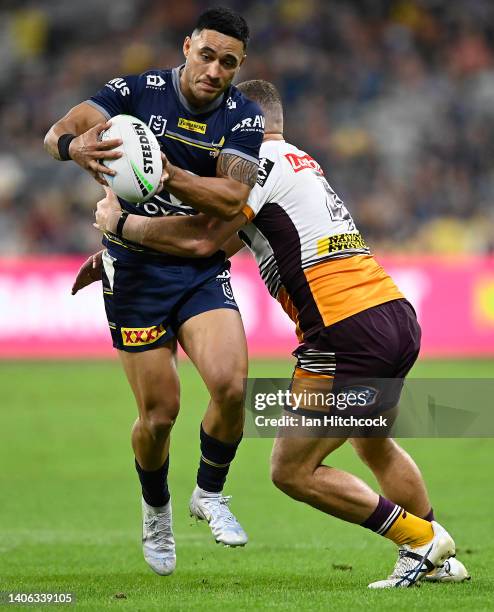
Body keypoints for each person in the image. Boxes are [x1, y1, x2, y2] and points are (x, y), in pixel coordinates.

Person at [85, 79, 470, 588]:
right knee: (373, 443)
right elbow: (225, 244)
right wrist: (115, 257)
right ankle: (440, 559)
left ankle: (420, 541)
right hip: (387, 314)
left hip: (346, 330)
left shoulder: (257, 166)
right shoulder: (297, 161)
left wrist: (121, 227)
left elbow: (203, 244)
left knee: (293, 470)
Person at [45, 8, 265, 576]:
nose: (215, 70)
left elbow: (228, 199)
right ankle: (156, 507)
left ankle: (210, 492)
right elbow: (59, 131)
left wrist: (169, 176)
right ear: (188, 46)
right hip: (135, 277)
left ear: (240, 68)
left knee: (232, 387)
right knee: (160, 416)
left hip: (197, 274)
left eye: (229, 63)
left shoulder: (244, 117)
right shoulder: (135, 91)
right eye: (208, 54)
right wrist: (73, 149)